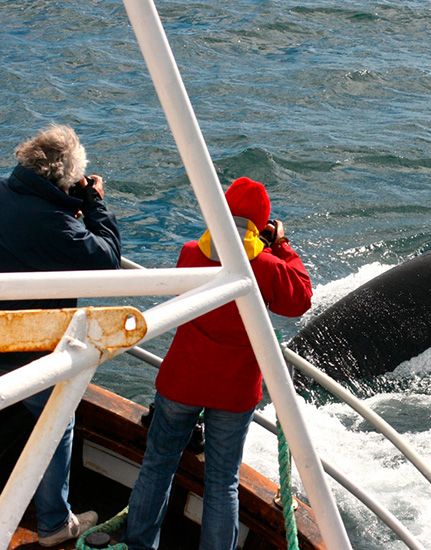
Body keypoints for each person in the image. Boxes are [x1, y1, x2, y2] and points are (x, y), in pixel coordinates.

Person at [124, 176, 313, 550]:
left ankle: (139, 544)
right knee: (222, 481)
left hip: (182, 381)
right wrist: (283, 245)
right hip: (234, 390)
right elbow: (300, 298)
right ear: (262, 224)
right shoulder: (269, 267)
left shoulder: (191, 251)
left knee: (157, 466)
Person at [0, 124, 121, 546]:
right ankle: (53, 522)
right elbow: (107, 262)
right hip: (28, 348)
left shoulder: (5, 193)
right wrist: (95, 204)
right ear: (66, 177)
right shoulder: (55, 224)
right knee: (58, 419)